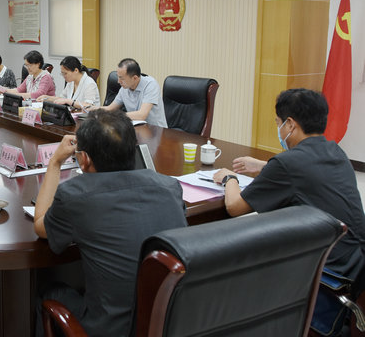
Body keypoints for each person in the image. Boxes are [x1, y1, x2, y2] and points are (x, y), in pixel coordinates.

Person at [213, 88, 365, 325]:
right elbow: (307, 172)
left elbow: (235, 207)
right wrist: (263, 165)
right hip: (354, 260)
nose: (279, 129)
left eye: (278, 123)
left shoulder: (287, 163)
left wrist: (228, 178)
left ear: (291, 124)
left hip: (328, 270)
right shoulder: (336, 151)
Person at [33, 110, 187, 336]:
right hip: (168, 323)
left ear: (84, 159)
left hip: (111, 329)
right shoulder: (170, 187)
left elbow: (40, 224)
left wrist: (55, 162)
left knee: (49, 292)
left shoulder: (75, 195)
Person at [97, 58, 167, 127]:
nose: (118, 81)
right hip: (136, 129)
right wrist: (93, 109)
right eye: (118, 77)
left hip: (156, 130)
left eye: (122, 78)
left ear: (135, 78)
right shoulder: (124, 88)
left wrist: (116, 116)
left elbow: (142, 115)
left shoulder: (150, 85)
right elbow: (110, 108)